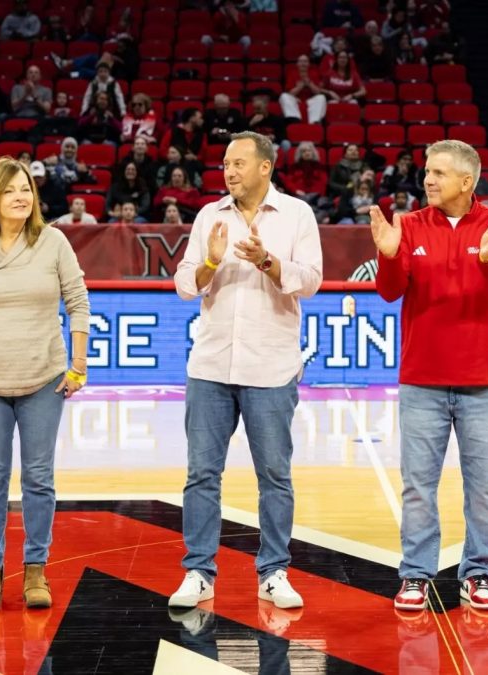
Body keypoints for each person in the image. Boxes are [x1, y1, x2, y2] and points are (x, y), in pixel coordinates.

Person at [168, 131, 323, 611]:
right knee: (201, 475)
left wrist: (269, 262)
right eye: (226, 164)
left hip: (272, 367)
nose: (228, 171)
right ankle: (198, 572)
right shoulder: (209, 216)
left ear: (265, 168)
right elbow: (184, 286)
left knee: (274, 475)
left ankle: (274, 572)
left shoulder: (297, 214)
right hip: (211, 364)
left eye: (238, 163)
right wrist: (212, 261)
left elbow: (312, 281)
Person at [373, 140, 488, 613]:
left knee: (484, 485)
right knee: (418, 484)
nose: (428, 180)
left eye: (438, 173)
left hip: (485, 380)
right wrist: (390, 256)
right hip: (422, 379)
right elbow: (389, 293)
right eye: (427, 172)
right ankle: (415, 575)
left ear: (466, 181)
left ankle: (478, 572)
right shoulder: (410, 224)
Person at [0, 157, 90, 610]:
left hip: (44, 379)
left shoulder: (53, 242)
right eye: (10, 190)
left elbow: (77, 301)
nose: (21, 197)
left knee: (40, 479)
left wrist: (78, 364)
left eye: (26, 188)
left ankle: (35, 571)